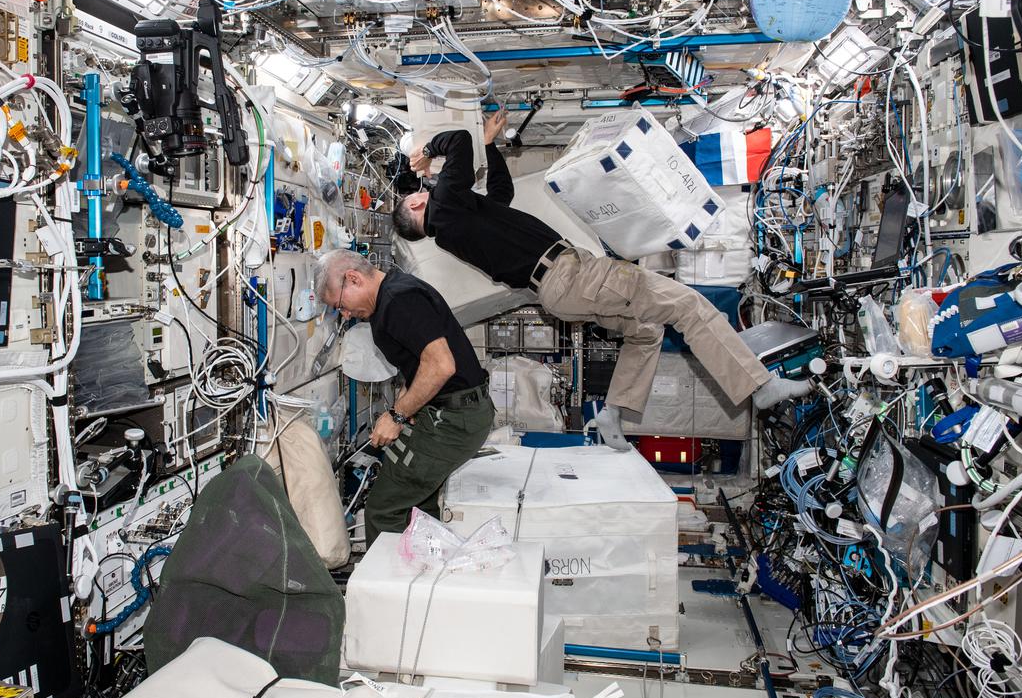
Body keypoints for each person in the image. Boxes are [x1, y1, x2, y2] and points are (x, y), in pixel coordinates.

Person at [391, 112, 810, 449]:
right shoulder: (444, 207)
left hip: (560, 295)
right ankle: (760, 385)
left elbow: (501, 195)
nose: (428, 184)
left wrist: (490, 145)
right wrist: (426, 151)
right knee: (688, 306)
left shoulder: (454, 222)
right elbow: (456, 144)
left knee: (645, 331)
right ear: (416, 203)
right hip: (574, 276)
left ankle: (614, 413)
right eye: (422, 188)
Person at [313, 249, 494, 546]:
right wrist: (406, 399)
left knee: (385, 510)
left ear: (353, 278)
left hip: (453, 419)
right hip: (450, 412)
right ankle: (422, 577)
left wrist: (396, 416)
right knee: (417, 506)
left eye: (340, 305)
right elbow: (420, 360)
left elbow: (440, 365)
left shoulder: (398, 301)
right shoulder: (394, 292)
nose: (345, 315)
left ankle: (385, 589)